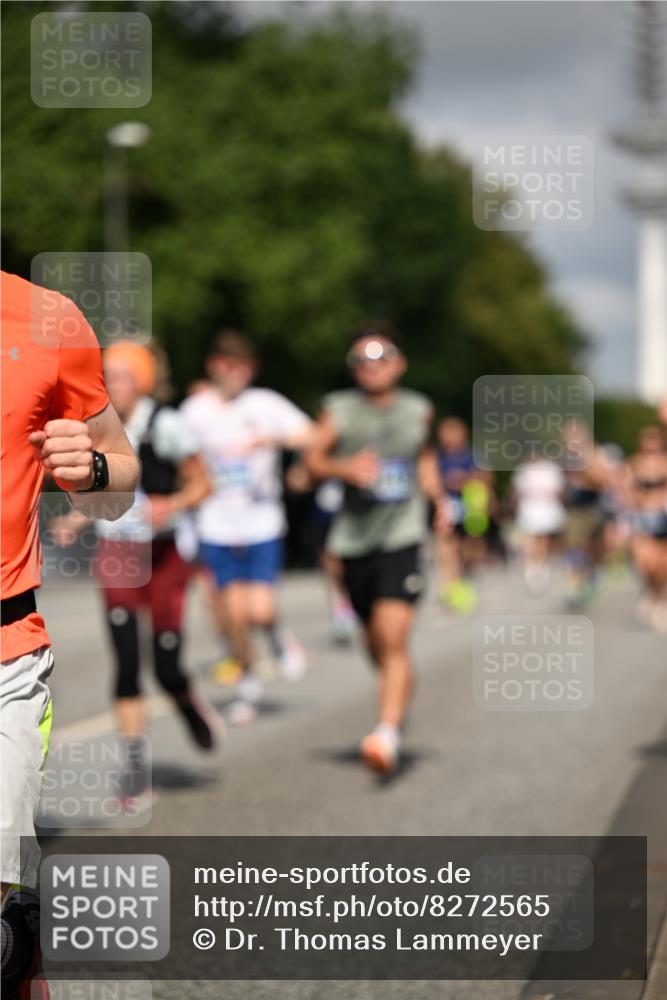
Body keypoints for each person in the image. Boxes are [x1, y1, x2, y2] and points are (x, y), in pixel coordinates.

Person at [0, 271, 139, 998]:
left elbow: (123, 478)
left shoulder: (46, 319)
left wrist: (89, 471)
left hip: (5, 654)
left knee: (4, 923)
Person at [49, 340, 221, 801]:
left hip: (164, 557)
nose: (112, 386)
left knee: (165, 669)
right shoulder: (99, 427)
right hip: (120, 554)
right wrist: (76, 518)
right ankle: (134, 770)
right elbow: (109, 495)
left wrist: (175, 503)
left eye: (122, 377)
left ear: (142, 380)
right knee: (126, 663)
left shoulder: (167, 424)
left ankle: (187, 703)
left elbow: (204, 483)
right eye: (108, 377)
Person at [305, 321, 447, 775]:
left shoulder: (418, 409)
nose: (372, 366)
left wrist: (439, 498)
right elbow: (312, 459)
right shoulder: (339, 409)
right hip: (353, 540)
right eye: (361, 360)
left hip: (402, 534)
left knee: (394, 635)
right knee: (377, 644)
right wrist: (342, 467)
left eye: (381, 356)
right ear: (352, 370)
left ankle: (386, 732)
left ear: (400, 362)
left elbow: (423, 458)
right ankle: (395, 695)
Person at [180, 331, 314, 725]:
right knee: (234, 615)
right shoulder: (194, 410)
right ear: (213, 365)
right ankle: (248, 685)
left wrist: (270, 439)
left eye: (242, 367)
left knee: (261, 609)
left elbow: (310, 434)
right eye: (226, 365)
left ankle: (276, 637)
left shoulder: (265, 404)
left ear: (252, 370)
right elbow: (179, 457)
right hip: (216, 523)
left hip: (261, 520)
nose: (234, 373)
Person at [435, 417, 493, 613]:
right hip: (447, 506)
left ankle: (464, 578)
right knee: (446, 547)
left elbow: (486, 475)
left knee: (469, 549)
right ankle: (449, 589)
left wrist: (465, 479)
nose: (448, 438)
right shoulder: (438, 456)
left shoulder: (472, 455)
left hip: (471, 509)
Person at [561, 420, 610, 609]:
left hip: (592, 507)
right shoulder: (566, 456)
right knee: (574, 545)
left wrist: (583, 467)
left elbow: (602, 480)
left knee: (592, 548)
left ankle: (590, 576)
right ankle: (574, 583)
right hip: (574, 509)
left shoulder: (594, 453)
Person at [625, 426, 667, 631]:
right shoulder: (635, 463)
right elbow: (626, 490)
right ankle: (650, 591)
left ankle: (658, 600)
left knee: (661, 565)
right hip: (642, 517)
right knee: (644, 562)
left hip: (662, 516)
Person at [510, 449, 566, 593]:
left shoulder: (551, 469)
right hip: (529, 511)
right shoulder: (523, 470)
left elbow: (559, 491)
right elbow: (517, 493)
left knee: (543, 539)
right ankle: (531, 566)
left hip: (546, 510)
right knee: (530, 539)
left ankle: (541, 565)